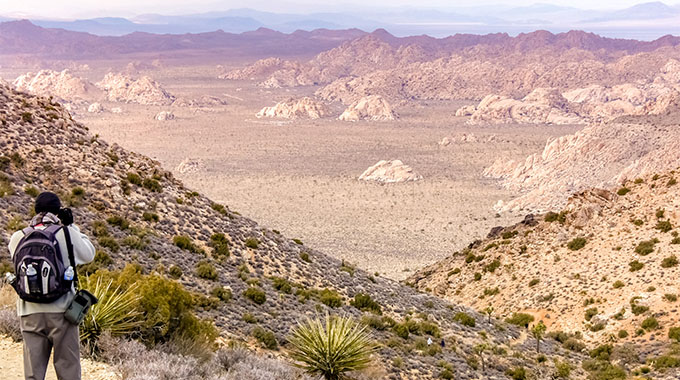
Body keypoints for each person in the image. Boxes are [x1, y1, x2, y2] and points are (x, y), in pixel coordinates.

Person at [7, 192, 95, 380]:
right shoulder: (66, 234)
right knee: (68, 369)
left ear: (35, 210)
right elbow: (89, 254)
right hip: (62, 312)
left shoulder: (17, 237)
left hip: (29, 312)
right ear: (58, 211)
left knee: (33, 373)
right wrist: (71, 225)